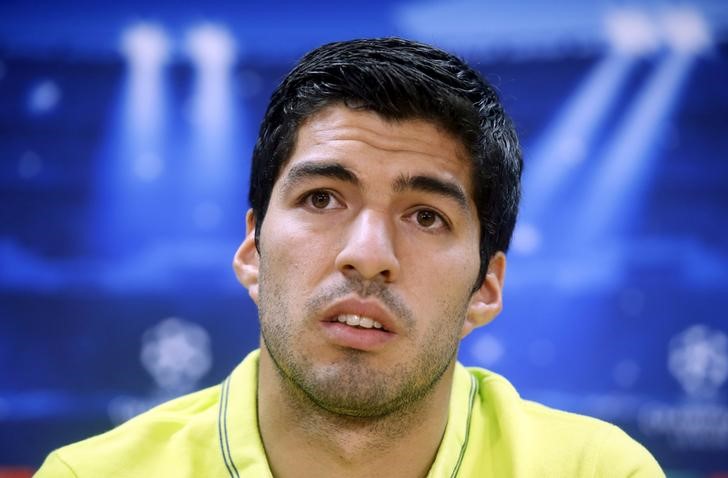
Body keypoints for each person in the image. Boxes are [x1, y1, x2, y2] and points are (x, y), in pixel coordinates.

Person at [36, 37, 663, 477]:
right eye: (322, 198)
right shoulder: (88, 475)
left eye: (426, 216)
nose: (368, 255)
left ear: (486, 288)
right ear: (253, 250)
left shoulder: (603, 471)